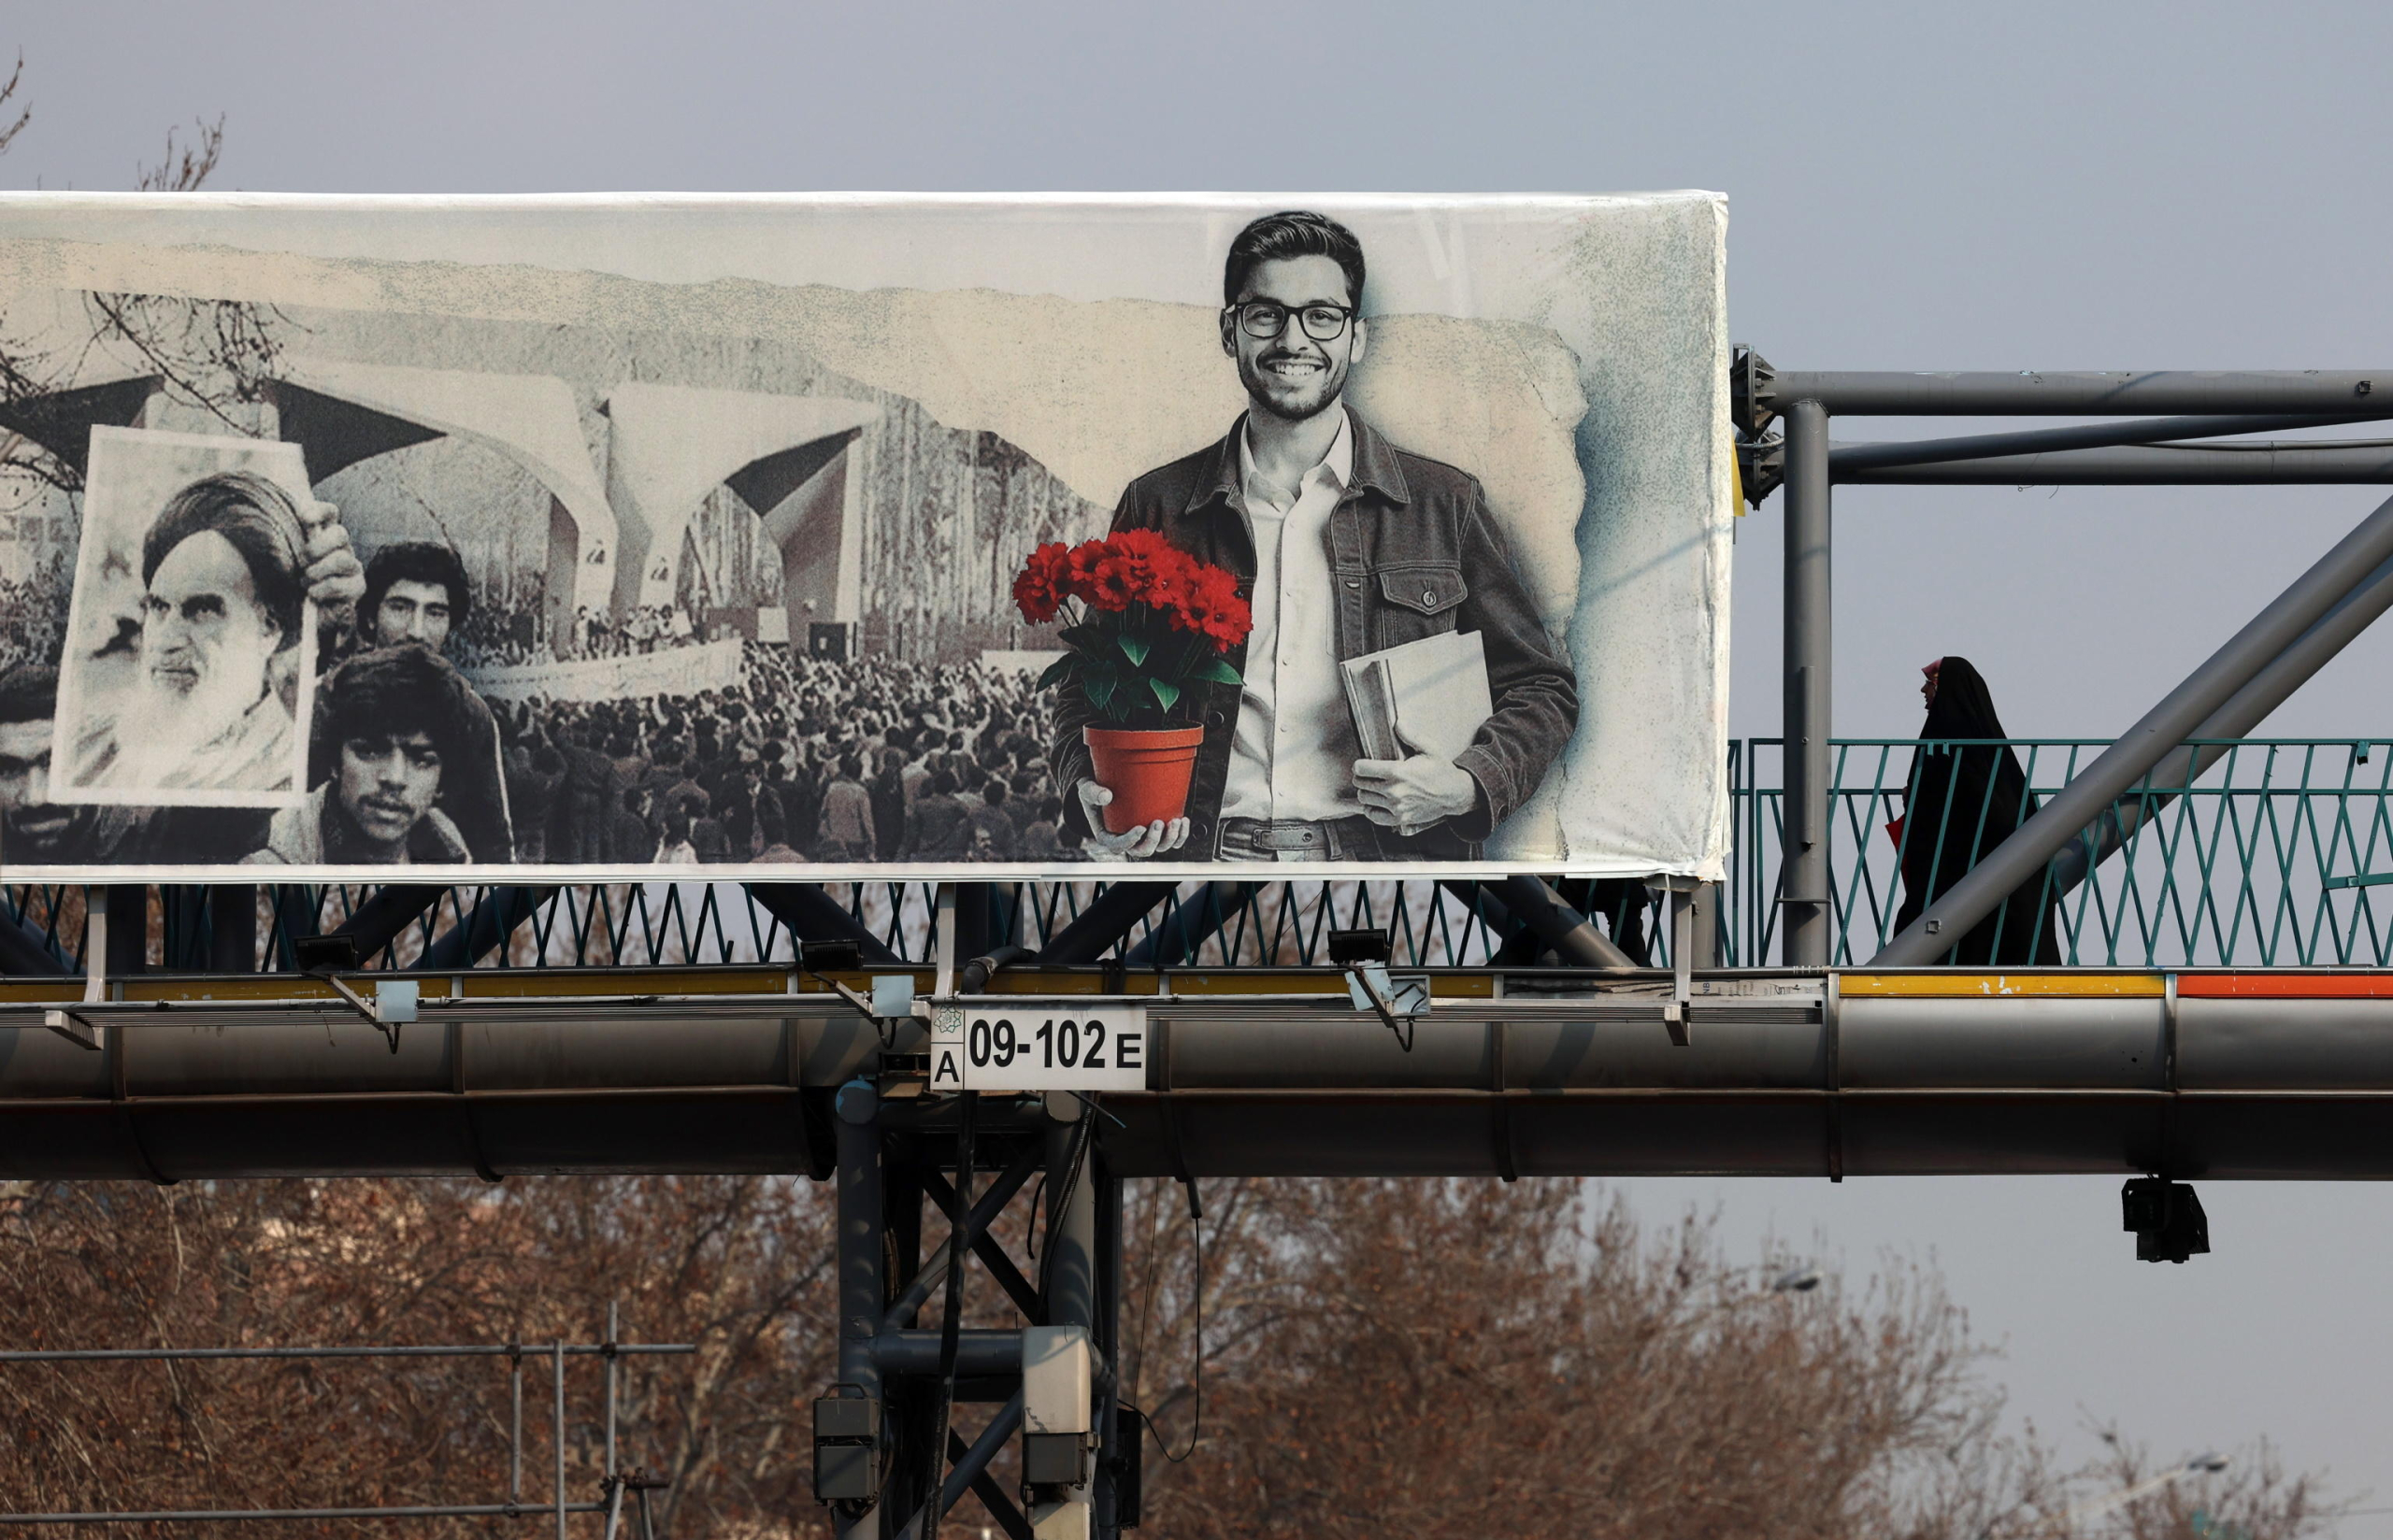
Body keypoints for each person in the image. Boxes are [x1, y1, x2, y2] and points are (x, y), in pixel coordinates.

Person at [1047, 209, 1577, 863]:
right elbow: (1086, 689)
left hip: (1385, 870)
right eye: (1266, 314)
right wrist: (1085, 790)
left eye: (1321, 316)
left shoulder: (1443, 503)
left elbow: (1542, 688)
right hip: (1200, 865)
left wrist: (1468, 784)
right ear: (1230, 331)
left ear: (1356, 338)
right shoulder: (1159, 505)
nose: (1293, 339)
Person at [72, 471, 318, 793]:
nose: (166, 640)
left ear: (269, 628)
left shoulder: (289, 776)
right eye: (159, 607)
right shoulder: (89, 754)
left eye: (202, 610)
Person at [1892, 656, 2065, 964]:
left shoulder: (1952, 736)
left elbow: (1955, 799)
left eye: (1930, 685)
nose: (1924, 691)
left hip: (1960, 871)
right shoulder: (1982, 741)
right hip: (1973, 871)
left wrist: (1916, 797)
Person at [352, 539, 514, 863]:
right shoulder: (328, 699)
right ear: (371, 617)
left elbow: (491, 842)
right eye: (400, 607)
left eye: (435, 613)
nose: (417, 630)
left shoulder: (471, 714)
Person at [244, 648, 475, 865]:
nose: (394, 778)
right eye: (370, 752)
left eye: (422, 760)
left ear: (443, 776)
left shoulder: (448, 844)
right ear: (335, 761)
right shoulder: (268, 867)